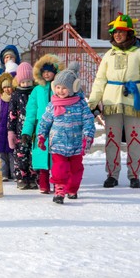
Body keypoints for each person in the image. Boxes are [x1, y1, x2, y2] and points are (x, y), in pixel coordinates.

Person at [88, 13, 140, 189]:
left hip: (135, 102)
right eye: (115, 32)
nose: (118, 35)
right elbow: (100, 79)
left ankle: (134, 175)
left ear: (129, 33)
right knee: (112, 140)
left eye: (122, 31)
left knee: (135, 140)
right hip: (112, 102)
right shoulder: (109, 55)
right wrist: (93, 101)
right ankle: (112, 174)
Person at [37, 62, 95, 204]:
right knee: (59, 168)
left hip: (76, 145)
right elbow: (45, 121)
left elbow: (88, 121)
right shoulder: (52, 105)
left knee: (76, 170)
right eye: (58, 87)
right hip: (58, 144)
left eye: (64, 88)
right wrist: (41, 135)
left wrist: (88, 136)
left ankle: (72, 189)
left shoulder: (80, 104)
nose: (60, 91)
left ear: (73, 88)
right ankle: (59, 190)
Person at [21, 54, 64, 193]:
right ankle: (44, 183)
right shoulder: (37, 90)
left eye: (49, 71)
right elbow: (31, 112)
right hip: (41, 128)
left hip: (58, 126)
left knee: (58, 157)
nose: (46, 74)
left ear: (56, 72)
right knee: (42, 155)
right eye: (44, 71)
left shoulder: (60, 89)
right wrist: (27, 131)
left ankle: (59, 182)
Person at [7, 62, 35, 189]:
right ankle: (21, 178)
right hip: (19, 131)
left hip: (33, 130)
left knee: (32, 155)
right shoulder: (15, 95)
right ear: (18, 82)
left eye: (29, 81)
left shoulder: (35, 93)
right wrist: (11, 132)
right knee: (21, 155)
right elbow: (12, 115)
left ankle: (34, 178)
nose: (26, 84)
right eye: (23, 82)